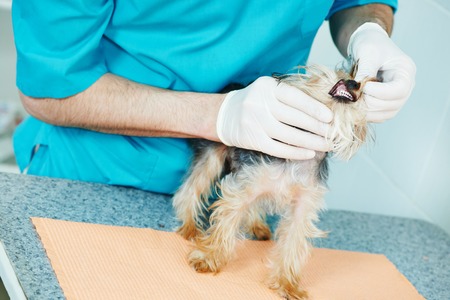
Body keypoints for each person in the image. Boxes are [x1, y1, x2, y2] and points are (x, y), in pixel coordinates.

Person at [12, 1, 415, 195]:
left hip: (251, 184)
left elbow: (356, 2)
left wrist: (368, 31)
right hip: (101, 176)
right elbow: (52, 87)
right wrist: (218, 115)